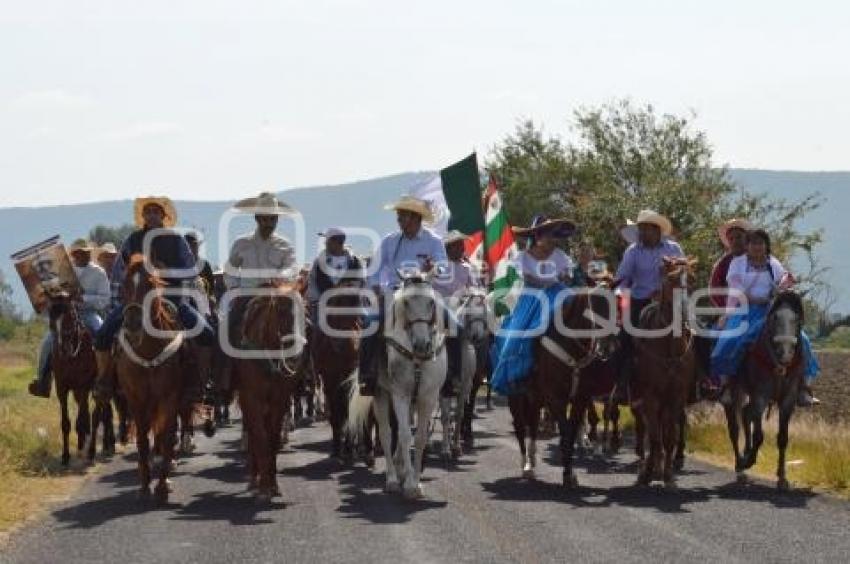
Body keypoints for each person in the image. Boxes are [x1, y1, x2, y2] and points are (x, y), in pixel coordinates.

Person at [94, 196, 215, 399]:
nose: (151, 216)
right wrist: (122, 299)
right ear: (142, 216)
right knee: (103, 335)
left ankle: (202, 383)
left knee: (207, 333)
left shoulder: (177, 240)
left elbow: (191, 272)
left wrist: (166, 273)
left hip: (173, 298)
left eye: (155, 212)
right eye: (147, 212)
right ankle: (105, 381)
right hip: (135, 300)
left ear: (163, 216)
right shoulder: (132, 240)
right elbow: (118, 273)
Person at [710, 229, 820, 407]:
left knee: (803, 340)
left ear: (766, 246)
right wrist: (754, 298)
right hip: (744, 310)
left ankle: (804, 388)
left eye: (760, 243)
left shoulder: (773, 264)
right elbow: (736, 288)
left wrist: (784, 284)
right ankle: (727, 386)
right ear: (747, 246)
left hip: (770, 311)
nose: (757, 247)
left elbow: (782, 281)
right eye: (753, 243)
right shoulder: (738, 263)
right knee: (728, 341)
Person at [357, 195, 447, 396]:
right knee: (370, 323)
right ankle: (367, 376)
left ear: (416, 218)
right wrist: (376, 287)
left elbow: (443, 265)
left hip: (424, 294)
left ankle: (451, 378)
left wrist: (435, 269)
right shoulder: (390, 241)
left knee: (456, 325)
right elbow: (373, 270)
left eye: (402, 217)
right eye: (398, 217)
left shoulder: (433, 241)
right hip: (395, 294)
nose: (399, 221)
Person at [490, 215, 577, 396]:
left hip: (556, 293)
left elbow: (568, 275)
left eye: (554, 236)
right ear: (537, 237)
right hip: (531, 297)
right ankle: (517, 375)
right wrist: (540, 281)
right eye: (548, 236)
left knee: (577, 309)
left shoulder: (560, 256)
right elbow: (523, 277)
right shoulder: (522, 257)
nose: (553, 240)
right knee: (513, 338)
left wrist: (565, 277)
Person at [613, 209, 685, 402]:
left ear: (657, 230)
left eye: (646, 229)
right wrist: (619, 292)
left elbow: (683, 274)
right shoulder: (633, 251)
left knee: (695, 332)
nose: (642, 233)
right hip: (641, 299)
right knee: (624, 337)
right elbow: (622, 277)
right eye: (641, 229)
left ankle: (701, 379)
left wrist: (672, 273)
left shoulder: (673, 249)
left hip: (671, 298)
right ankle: (621, 383)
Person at [28, 239, 110, 398]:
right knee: (47, 342)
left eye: (85, 252)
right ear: (73, 254)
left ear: (89, 253)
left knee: (102, 334)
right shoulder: (63, 270)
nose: (82, 255)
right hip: (65, 313)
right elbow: (53, 294)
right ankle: (43, 381)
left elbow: (105, 299)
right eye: (78, 252)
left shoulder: (98, 272)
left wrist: (84, 299)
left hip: (88, 313)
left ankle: (105, 379)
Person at [223, 192, 298, 348]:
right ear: (257, 218)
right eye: (265, 219)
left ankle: (306, 367)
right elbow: (230, 270)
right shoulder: (241, 242)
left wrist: (280, 278)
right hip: (247, 295)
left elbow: (292, 268)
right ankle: (222, 369)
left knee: (303, 325)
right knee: (225, 328)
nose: (269, 223)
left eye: (272, 219)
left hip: (276, 296)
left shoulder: (285, 245)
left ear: (277, 219)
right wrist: (235, 288)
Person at [433, 230, 479, 397]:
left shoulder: (468, 268)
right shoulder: (439, 266)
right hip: (439, 306)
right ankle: (452, 374)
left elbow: (474, 287)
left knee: (482, 327)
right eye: (457, 245)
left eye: (462, 245)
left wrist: (473, 295)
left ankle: (478, 371)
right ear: (448, 248)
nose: (461, 248)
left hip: (461, 306)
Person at [306, 227, 364, 322]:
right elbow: (312, 283)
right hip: (324, 305)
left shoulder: (354, 261)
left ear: (338, 242)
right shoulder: (319, 261)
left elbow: (361, 282)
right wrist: (316, 302)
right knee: (316, 326)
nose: (325, 243)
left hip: (350, 306)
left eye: (328, 240)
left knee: (365, 324)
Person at [709, 219, 752, 309]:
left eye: (738, 237)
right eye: (731, 239)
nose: (735, 241)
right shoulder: (723, 263)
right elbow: (715, 290)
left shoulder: (759, 255)